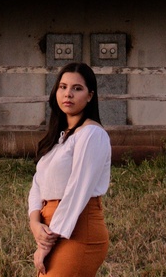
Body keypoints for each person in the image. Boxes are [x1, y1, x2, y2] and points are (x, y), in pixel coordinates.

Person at [27, 62, 111, 276]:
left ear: (90, 96)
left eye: (77, 88)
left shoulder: (92, 134)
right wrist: (35, 223)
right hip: (51, 226)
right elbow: (38, 183)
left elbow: (77, 192)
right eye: (63, 87)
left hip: (78, 230)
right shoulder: (59, 138)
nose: (68, 94)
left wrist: (46, 244)